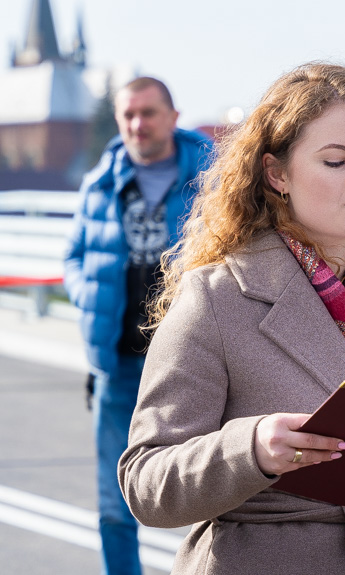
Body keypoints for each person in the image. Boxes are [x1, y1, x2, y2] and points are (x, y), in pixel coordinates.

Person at [117, 62, 345, 574]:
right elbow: (147, 483)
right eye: (335, 161)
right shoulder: (217, 299)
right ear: (277, 174)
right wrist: (251, 449)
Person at [63, 76, 213, 575]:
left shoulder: (212, 179)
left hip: (198, 364)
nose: (137, 124)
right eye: (128, 115)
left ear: (172, 117)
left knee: (216, 487)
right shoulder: (100, 181)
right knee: (115, 498)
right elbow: (76, 257)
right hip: (119, 362)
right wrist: (91, 299)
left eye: (148, 113)